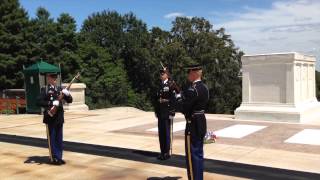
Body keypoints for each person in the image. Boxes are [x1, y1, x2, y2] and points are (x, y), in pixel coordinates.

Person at [37, 73, 73, 165]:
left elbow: (70, 100)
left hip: (59, 117)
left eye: (55, 78)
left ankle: (59, 157)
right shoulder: (45, 89)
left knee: (59, 138)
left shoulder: (60, 89)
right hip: (50, 117)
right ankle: (54, 157)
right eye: (52, 78)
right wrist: (51, 102)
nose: (55, 80)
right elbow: (39, 102)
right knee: (52, 137)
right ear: (48, 79)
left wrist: (67, 94)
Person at [182, 64, 209, 180]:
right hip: (201, 121)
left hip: (192, 123)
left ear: (194, 73)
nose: (188, 75)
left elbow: (185, 108)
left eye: (189, 72)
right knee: (198, 154)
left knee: (192, 156)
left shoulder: (193, 89)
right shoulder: (204, 87)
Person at [153, 66, 180, 160]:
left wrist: (172, 112)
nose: (161, 75)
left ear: (167, 74)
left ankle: (167, 152)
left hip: (167, 111)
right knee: (161, 133)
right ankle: (162, 151)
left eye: (163, 73)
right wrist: (156, 111)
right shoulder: (159, 84)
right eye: (160, 73)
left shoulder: (171, 84)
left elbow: (174, 98)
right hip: (160, 112)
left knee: (166, 133)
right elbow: (156, 99)